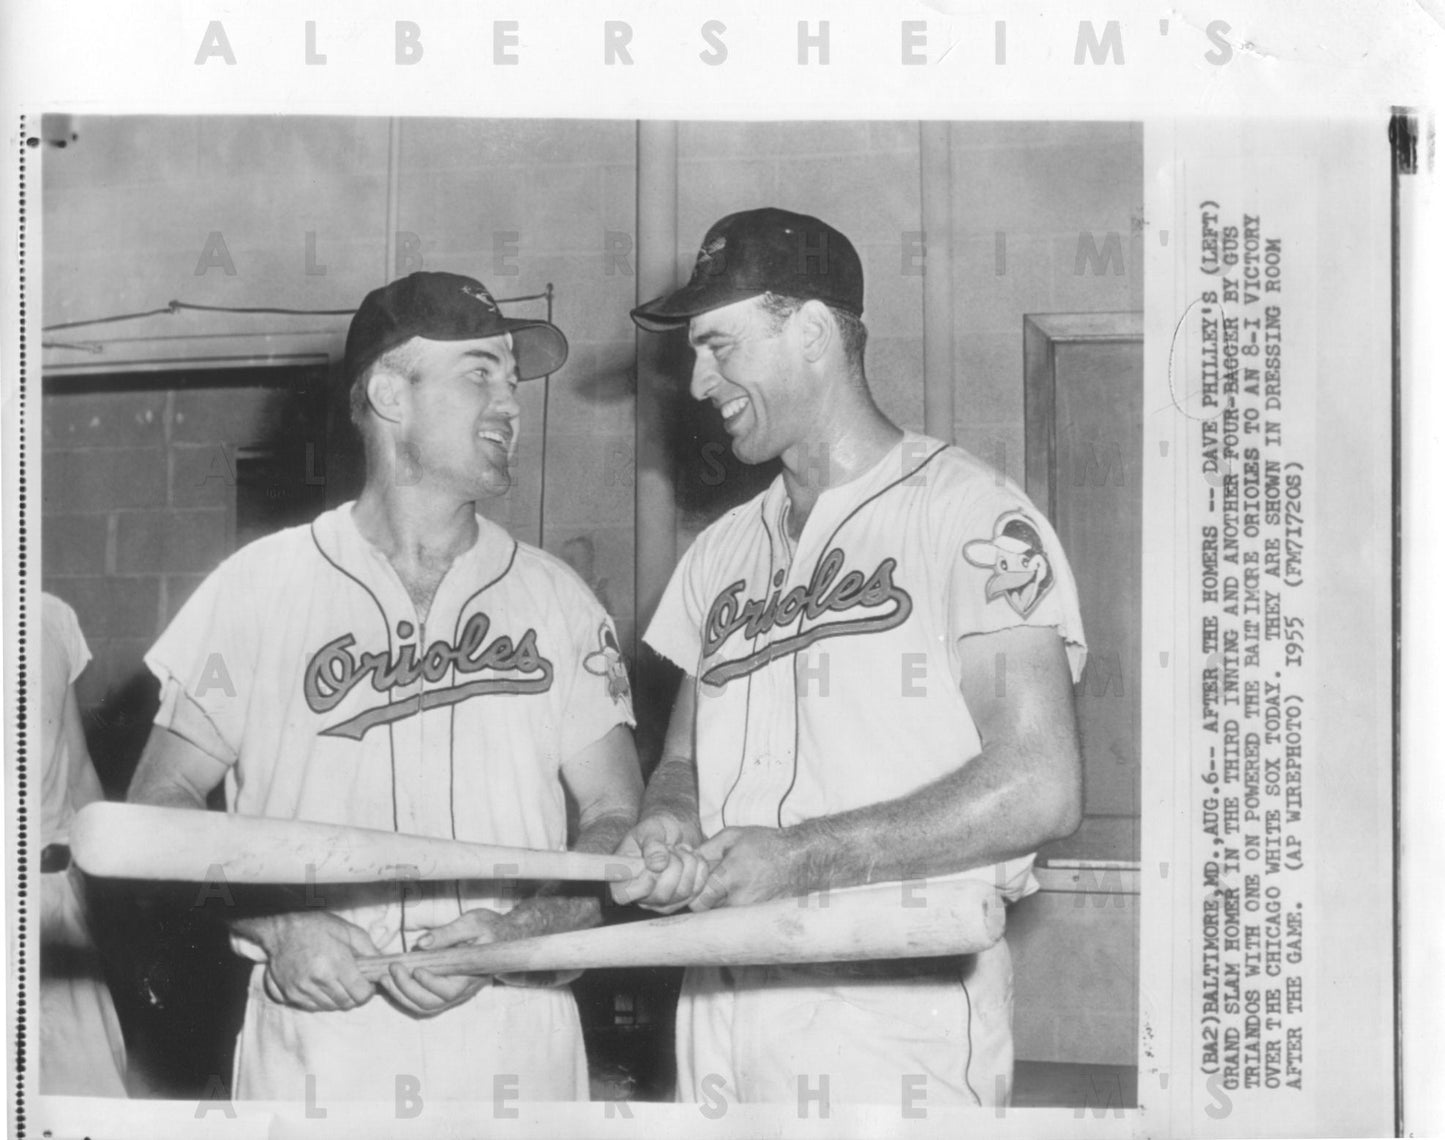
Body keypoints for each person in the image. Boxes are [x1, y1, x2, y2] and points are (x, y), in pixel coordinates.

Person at [127, 271, 642, 1103]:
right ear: (389, 393)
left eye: (512, 380)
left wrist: (522, 933)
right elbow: (160, 804)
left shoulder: (556, 597)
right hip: (321, 1036)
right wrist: (274, 920)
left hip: (514, 1036)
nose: (510, 403)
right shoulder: (254, 587)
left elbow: (618, 819)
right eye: (480, 372)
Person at [613, 208, 1088, 1108]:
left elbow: (1042, 783)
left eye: (718, 346)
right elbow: (680, 760)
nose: (696, 378)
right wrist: (667, 819)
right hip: (719, 1003)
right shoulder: (719, 551)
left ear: (814, 333)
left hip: (888, 1019)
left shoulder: (969, 513)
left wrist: (802, 856)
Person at [37, 591, 129, 1097]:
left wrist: (100, 889)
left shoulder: (51, 615)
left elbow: (78, 770)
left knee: (90, 1097)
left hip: (52, 898)